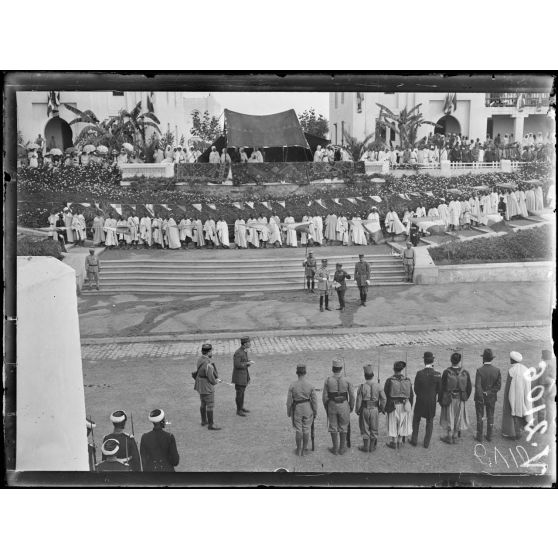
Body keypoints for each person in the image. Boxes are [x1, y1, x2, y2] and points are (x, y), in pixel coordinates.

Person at [322, 358, 355, 455]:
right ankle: (342, 448)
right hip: (344, 405)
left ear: (333, 368)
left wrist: (326, 407)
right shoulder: (347, 380)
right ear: (341, 368)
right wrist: (351, 406)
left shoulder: (328, 380)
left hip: (332, 405)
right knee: (344, 426)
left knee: (333, 426)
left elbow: (324, 397)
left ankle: (335, 448)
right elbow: (352, 396)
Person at [439, 353, 472, 444]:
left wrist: (441, 399)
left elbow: (442, 387)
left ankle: (449, 436)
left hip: (449, 398)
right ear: (459, 361)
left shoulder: (446, 372)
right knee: (459, 417)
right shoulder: (465, 372)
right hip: (460, 398)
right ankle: (455, 436)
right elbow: (469, 387)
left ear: (451, 360)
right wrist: (465, 397)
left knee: (450, 416)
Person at [410, 351, 441, 449]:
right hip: (431, 401)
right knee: (430, 421)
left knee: (416, 420)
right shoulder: (437, 374)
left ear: (424, 361)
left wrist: (420, 395)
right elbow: (439, 389)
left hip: (421, 400)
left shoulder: (419, 374)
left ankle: (414, 439)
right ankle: (426, 443)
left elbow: (416, 389)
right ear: (433, 361)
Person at [286, 364, 318, 456]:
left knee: (298, 430)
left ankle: (299, 449)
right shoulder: (310, 385)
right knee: (306, 429)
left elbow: (288, 402)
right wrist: (315, 411)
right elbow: (315, 401)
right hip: (308, 408)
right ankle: (304, 449)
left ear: (297, 373)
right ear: (305, 373)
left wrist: (288, 412)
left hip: (297, 409)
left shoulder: (292, 385)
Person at [502, 351, 532, 440]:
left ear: (512, 360)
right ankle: (519, 431)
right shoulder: (526, 369)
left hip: (513, 394)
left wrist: (506, 397)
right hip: (523, 394)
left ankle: (511, 433)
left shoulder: (511, 371)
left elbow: (508, 386)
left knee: (511, 412)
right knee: (521, 411)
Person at [355, 364, 386, 452]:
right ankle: (372, 447)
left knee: (364, 428)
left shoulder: (361, 387)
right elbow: (384, 399)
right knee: (374, 428)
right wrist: (381, 408)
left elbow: (358, 401)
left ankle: (365, 447)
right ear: (373, 376)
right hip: (375, 409)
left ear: (365, 376)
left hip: (365, 409)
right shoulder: (379, 386)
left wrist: (357, 410)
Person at [384, 361, 413, 449]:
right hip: (404, 405)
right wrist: (410, 405)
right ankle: (400, 441)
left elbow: (386, 394)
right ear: (402, 369)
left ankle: (394, 442)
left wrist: (386, 407)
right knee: (402, 423)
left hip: (393, 405)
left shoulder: (389, 380)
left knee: (393, 423)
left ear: (394, 369)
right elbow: (411, 394)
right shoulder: (407, 380)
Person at [474, 349, 501, 442]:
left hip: (480, 397)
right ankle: (489, 436)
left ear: (483, 359)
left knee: (480, 416)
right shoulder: (497, 370)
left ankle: (479, 436)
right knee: (490, 415)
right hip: (491, 397)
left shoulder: (480, 370)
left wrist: (482, 395)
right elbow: (498, 386)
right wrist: (489, 392)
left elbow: (478, 386)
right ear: (491, 359)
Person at [194, 343, 222, 431]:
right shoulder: (208, 364)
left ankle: (203, 421)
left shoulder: (200, 359)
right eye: (211, 351)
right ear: (208, 352)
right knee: (210, 405)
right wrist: (216, 381)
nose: (212, 352)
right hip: (207, 387)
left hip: (200, 385)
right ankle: (211, 424)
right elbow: (211, 378)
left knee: (203, 403)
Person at [533, 349, 556, 428]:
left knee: (541, 408)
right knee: (550, 408)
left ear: (542, 357)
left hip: (543, 388)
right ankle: (549, 425)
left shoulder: (542, 366)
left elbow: (540, 380)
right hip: (552, 388)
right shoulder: (552, 365)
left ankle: (542, 426)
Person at [232, 336, 254, 416]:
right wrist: (247, 363)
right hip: (239, 377)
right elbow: (237, 365)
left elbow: (243, 362)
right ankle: (238, 410)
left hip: (243, 375)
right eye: (249, 342)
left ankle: (241, 407)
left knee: (242, 392)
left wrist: (248, 362)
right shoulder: (238, 352)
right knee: (239, 393)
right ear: (245, 344)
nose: (250, 344)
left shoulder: (244, 351)